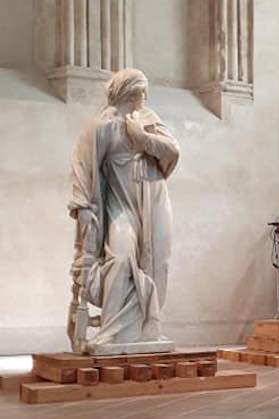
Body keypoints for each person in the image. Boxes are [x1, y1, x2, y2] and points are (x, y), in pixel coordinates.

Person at [67, 68, 180, 353]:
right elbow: (82, 166)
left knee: (158, 264)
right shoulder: (102, 126)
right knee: (120, 256)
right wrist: (82, 207)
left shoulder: (149, 121)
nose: (145, 96)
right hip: (120, 205)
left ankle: (145, 328)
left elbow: (172, 152)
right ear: (128, 92)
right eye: (141, 91)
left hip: (153, 202)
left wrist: (143, 139)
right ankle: (112, 330)